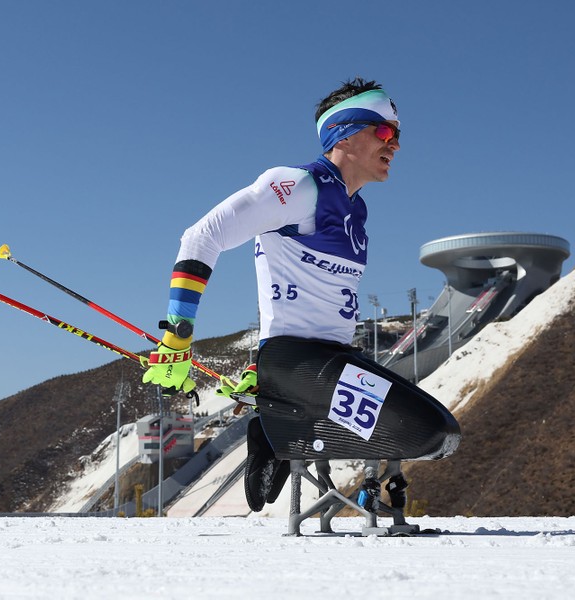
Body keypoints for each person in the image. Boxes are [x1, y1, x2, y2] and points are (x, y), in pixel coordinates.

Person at [141, 77, 406, 511]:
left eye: (398, 136)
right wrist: (178, 335)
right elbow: (201, 236)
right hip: (297, 361)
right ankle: (276, 415)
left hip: (335, 358)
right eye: (384, 132)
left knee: (436, 431)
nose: (394, 144)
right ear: (345, 132)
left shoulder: (357, 210)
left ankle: (273, 423)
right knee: (424, 427)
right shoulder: (299, 186)